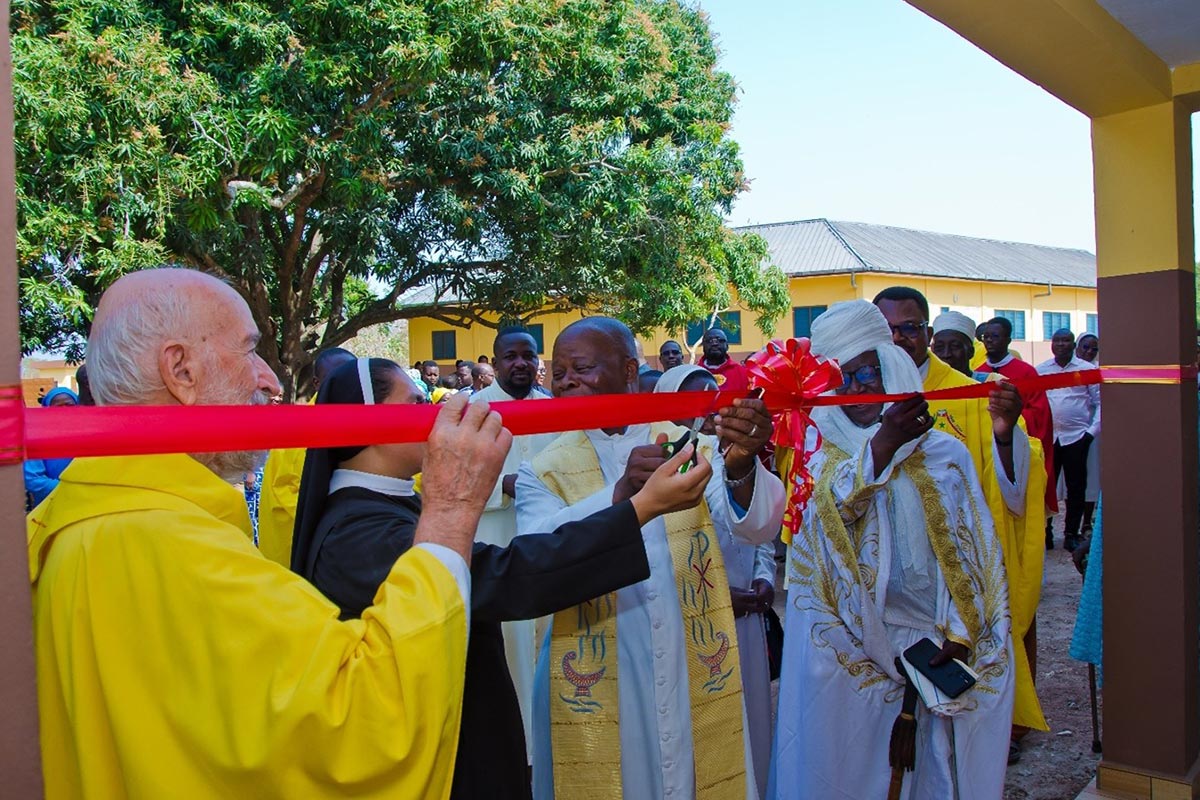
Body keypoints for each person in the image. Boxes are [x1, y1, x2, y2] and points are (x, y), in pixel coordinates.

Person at [27, 267, 509, 798]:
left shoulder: (63, 521)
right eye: (249, 351)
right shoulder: (172, 543)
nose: (271, 381)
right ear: (180, 370)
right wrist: (451, 509)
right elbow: (365, 720)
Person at [294, 357, 713, 799]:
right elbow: (506, 576)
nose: (433, 415)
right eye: (416, 403)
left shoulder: (385, 508)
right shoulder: (358, 533)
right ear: (369, 422)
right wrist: (640, 508)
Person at [516, 317, 785, 800]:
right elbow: (535, 555)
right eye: (558, 373)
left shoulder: (692, 447)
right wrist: (620, 497)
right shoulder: (542, 469)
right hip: (603, 667)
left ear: (628, 370)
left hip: (688, 659)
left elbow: (757, 527)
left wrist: (743, 464)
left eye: (581, 368)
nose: (566, 381)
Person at [771, 299, 1014, 800]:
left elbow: (975, 555)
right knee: (848, 773)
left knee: (932, 775)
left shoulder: (945, 454)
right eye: (842, 379)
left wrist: (961, 632)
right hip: (853, 654)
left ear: (892, 367)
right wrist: (881, 447)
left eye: (868, 374)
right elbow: (824, 528)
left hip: (933, 643)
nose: (857, 391)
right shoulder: (818, 457)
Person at [874, 288, 1048, 745]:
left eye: (910, 328)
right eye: (888, 330)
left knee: (955, 718)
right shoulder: (858, 394)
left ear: (927, 332)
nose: (899, 338)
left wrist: (1005, 435)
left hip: (949, 578)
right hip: (885, 575)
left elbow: (1013, 487)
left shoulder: (969, 394)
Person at [654, 365, 776, 798]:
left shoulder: (737, 458)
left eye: (714, 398)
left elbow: (759, 534)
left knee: (751, 717)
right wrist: (722, 596)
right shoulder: (660, 469)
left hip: (745, 619)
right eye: (695, 401)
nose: (709, 410)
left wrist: (764, 578)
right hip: (695, 623)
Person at [468, 326, 560, 764]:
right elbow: (446, 475)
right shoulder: (471, 412)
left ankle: (547, 744)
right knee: (506, 647)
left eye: (529, 355)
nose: (521, 363)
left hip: (545, 542)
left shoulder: (554, 410)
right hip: (496, 539)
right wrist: (503, 486)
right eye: (511, 356)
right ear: (495, 361)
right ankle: (513, 751)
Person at [256, 345, 355, 566]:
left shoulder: (340, 420)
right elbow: (299, 499)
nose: (347, 383)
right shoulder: (306, 428)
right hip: (296, 553)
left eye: (353, 376)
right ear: (317, 384)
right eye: (337, 378)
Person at [976, 316, 1058, 528]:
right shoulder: (978, 373)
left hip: (1018, 445)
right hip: (986, 448)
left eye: (995, 336)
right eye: (986, 336)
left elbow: (1039, 413)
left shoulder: (1026, 372)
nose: (989, 340)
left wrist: (1010, 419)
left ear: (1008, 339)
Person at [1037, 329, 1100, 552]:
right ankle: (1045, 531)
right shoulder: (1041, 370)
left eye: (1066, 341)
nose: (1061, 345)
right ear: (1051, 345)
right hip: (1048, 438)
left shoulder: (1087, 370)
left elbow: (1100, 403)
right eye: (1057, 341)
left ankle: (1071, 533)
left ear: (1073, 345)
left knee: (1076, 488)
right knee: (1045, 485)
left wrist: (1091, 433)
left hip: (1077, 437)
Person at [24, 387, 79, 510]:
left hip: (87, 505)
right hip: (49, 508)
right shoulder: (36, 437)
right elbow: (33, 479)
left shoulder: (90, 436)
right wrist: (72, 489)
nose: (64, 410)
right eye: (58, 407)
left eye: (69, 405)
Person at [1074, 334, 1100, 533]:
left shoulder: (1096, 371)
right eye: (1085, 347)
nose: (1089, 352)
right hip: (1066, 434)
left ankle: (1086, 523)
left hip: (1091, 432)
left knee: (1091, 477)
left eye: (1094, 349)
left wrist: (1091, 431)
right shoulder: (1063, 370)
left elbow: (1100, 404)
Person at [699, 326, 749, 394]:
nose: (714, 344)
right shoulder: (695, 373)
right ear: (703, 346)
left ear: (727, 346)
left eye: (720, 340)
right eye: (709, 340)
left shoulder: (742, 373)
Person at [931, 310, 977, 376]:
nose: (946, 354)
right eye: (939, 347)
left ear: (971, 351)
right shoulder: (923, 381)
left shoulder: (989, 380)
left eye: (955, 346)